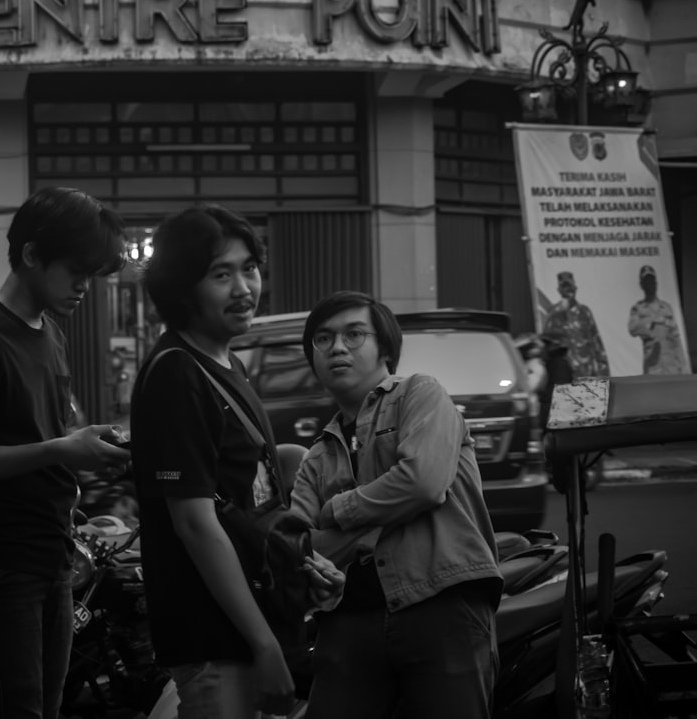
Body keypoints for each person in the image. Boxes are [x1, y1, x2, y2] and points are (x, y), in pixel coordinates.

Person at [0, 187, 132, 719]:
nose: (85, 287)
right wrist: (61, 448)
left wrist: (90, 441)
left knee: (47, 705)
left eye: (93, 274)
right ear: (33, 254)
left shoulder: (51, 334)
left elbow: (47, 432)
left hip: (53, 553)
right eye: (76, 270)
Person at [130, 204, 343, 719]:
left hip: (251, 626)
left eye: (249, 268)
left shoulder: (229, 363)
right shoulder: (176, 374)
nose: (244, 287)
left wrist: (302, 569)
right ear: (182, 288)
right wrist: (264, 645)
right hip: (215, 640)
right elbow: (195, 524)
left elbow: (247, 502)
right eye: (221, 274)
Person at [289, 290, 502, 719]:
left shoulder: (419, 395)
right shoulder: (316, 457)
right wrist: (383, 512)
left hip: (441, 603)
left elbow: (422, 483)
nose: (337, 348)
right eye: (323, 339)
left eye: (353, 334)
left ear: (384, 347)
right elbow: (300, 548)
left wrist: (339, 511)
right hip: (349, 622)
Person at [542, 271, 609, 378]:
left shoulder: (585, 312)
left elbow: (596, 342)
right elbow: (546, 345)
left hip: (587, 373)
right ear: (559, 290)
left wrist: (604, 371)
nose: (567, 290)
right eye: (564, 286)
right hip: (565, 374)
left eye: (569, 286)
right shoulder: (552, 314)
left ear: (575, 288)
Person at [628, 264, 687, 374]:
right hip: (653, 367)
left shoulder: (666, 308)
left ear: (656, 283)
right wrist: (651, 321)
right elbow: (632, 329)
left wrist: (684, 367)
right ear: (642, 285)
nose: (650, 284)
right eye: (647, 281)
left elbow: (676, 339)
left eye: (652, 280)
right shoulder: (638, 309)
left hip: (672, 368)